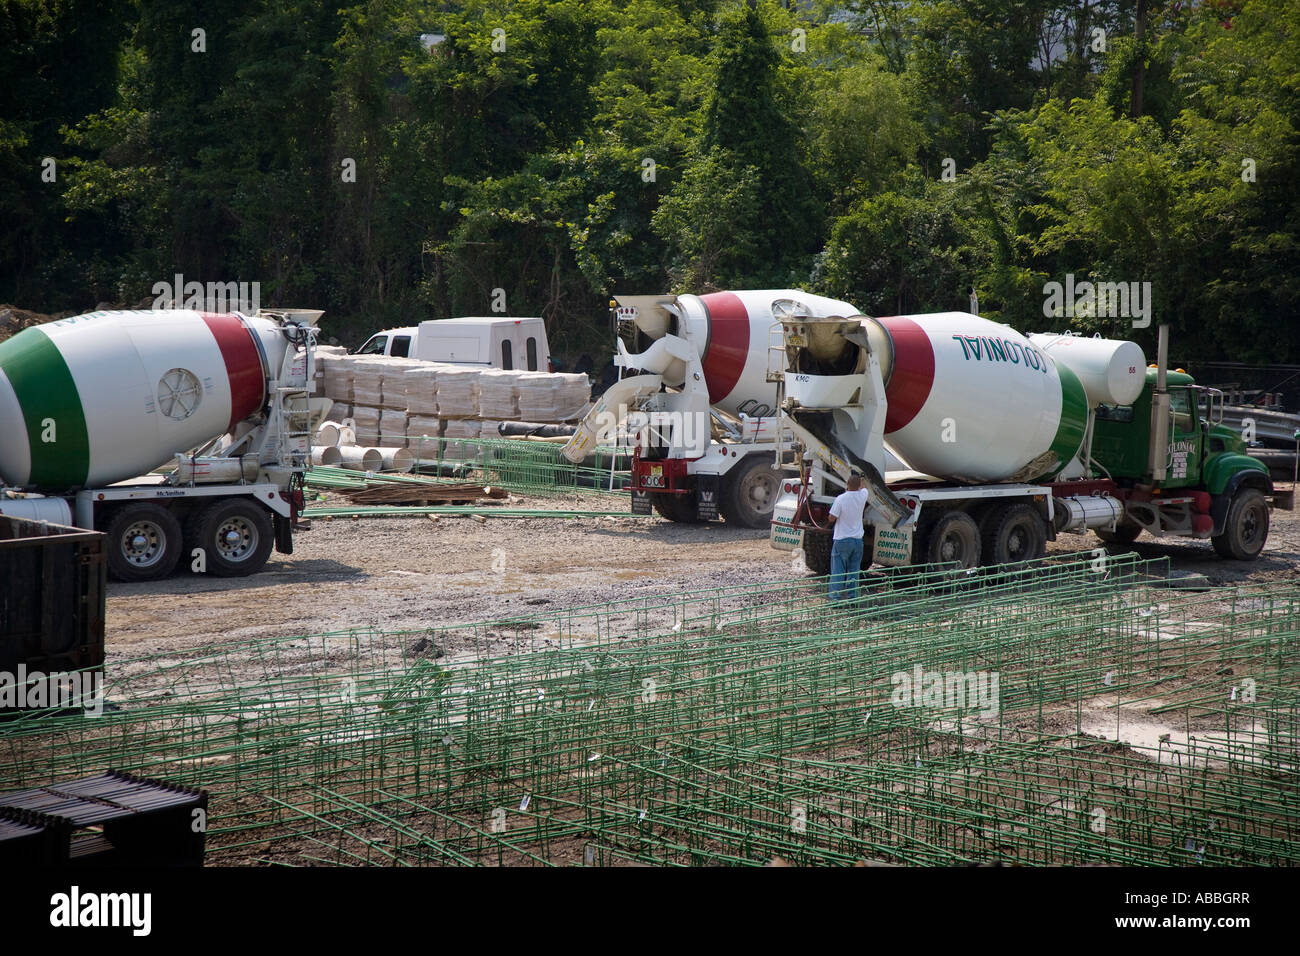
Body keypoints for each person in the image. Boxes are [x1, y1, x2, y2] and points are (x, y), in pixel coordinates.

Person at [827, 472, 870, 602]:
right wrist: (861, 480)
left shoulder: (840, 499)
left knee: (838, 571)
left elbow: (832, 518)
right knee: (854, 571)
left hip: (842, 539)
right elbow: (865, 487)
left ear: (846, 484)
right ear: (858, 486)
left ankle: (835, 598)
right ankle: (853, 598)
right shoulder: (863, 496)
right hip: (857, 540)